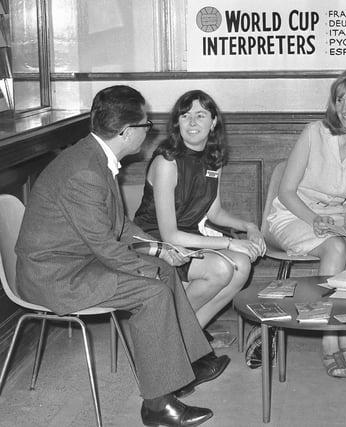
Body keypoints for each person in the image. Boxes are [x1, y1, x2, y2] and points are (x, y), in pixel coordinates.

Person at [15, 85, 230, 427]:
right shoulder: (85, 172)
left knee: (162, 269)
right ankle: (157, 405)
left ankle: (189, 359)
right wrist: (148, 269)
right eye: (145, 125)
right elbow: (105, 246)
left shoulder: (95, 156)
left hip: (76, 259)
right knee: (153, 289)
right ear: (127, 132)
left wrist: (160, 249)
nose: (149, 131)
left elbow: (116, 225)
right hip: (55, 276)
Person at [265, 67, 346, 378]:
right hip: (293, 213)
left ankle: (344, 334)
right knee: (335, 248)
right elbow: (286, 191)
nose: (344, 109)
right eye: (340, 100)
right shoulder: (314, 132)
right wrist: (314, 220)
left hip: (334, 217)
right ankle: (328, 341)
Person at [134, 90, 265, 347]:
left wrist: (250, 227)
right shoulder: (167, 162)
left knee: (242, 266)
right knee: (221, 268)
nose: (192, 122)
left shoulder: (212, 160)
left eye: (200, 115)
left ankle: (188, 341)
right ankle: (168, 338)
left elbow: (214, 212)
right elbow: (170, 234)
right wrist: (229, 243)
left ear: (213, 121)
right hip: (155, 242)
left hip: (188, 237)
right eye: (185, 115)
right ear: (177, 123)